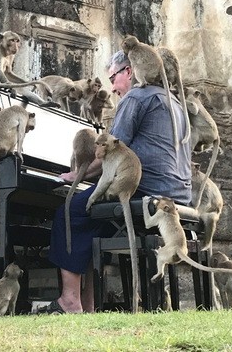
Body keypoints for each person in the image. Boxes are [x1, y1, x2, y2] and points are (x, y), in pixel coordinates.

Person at [42, 50, 192, 314]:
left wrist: (75, 175)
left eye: (113, 77)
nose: (111, 87)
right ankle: (87, 303)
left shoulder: (137, 96)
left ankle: (69, 300)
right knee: (92, 219)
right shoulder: (175, 103)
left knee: (70, 211)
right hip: (178, 193)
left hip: (147, 190)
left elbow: (110, 152)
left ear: (129, 72)